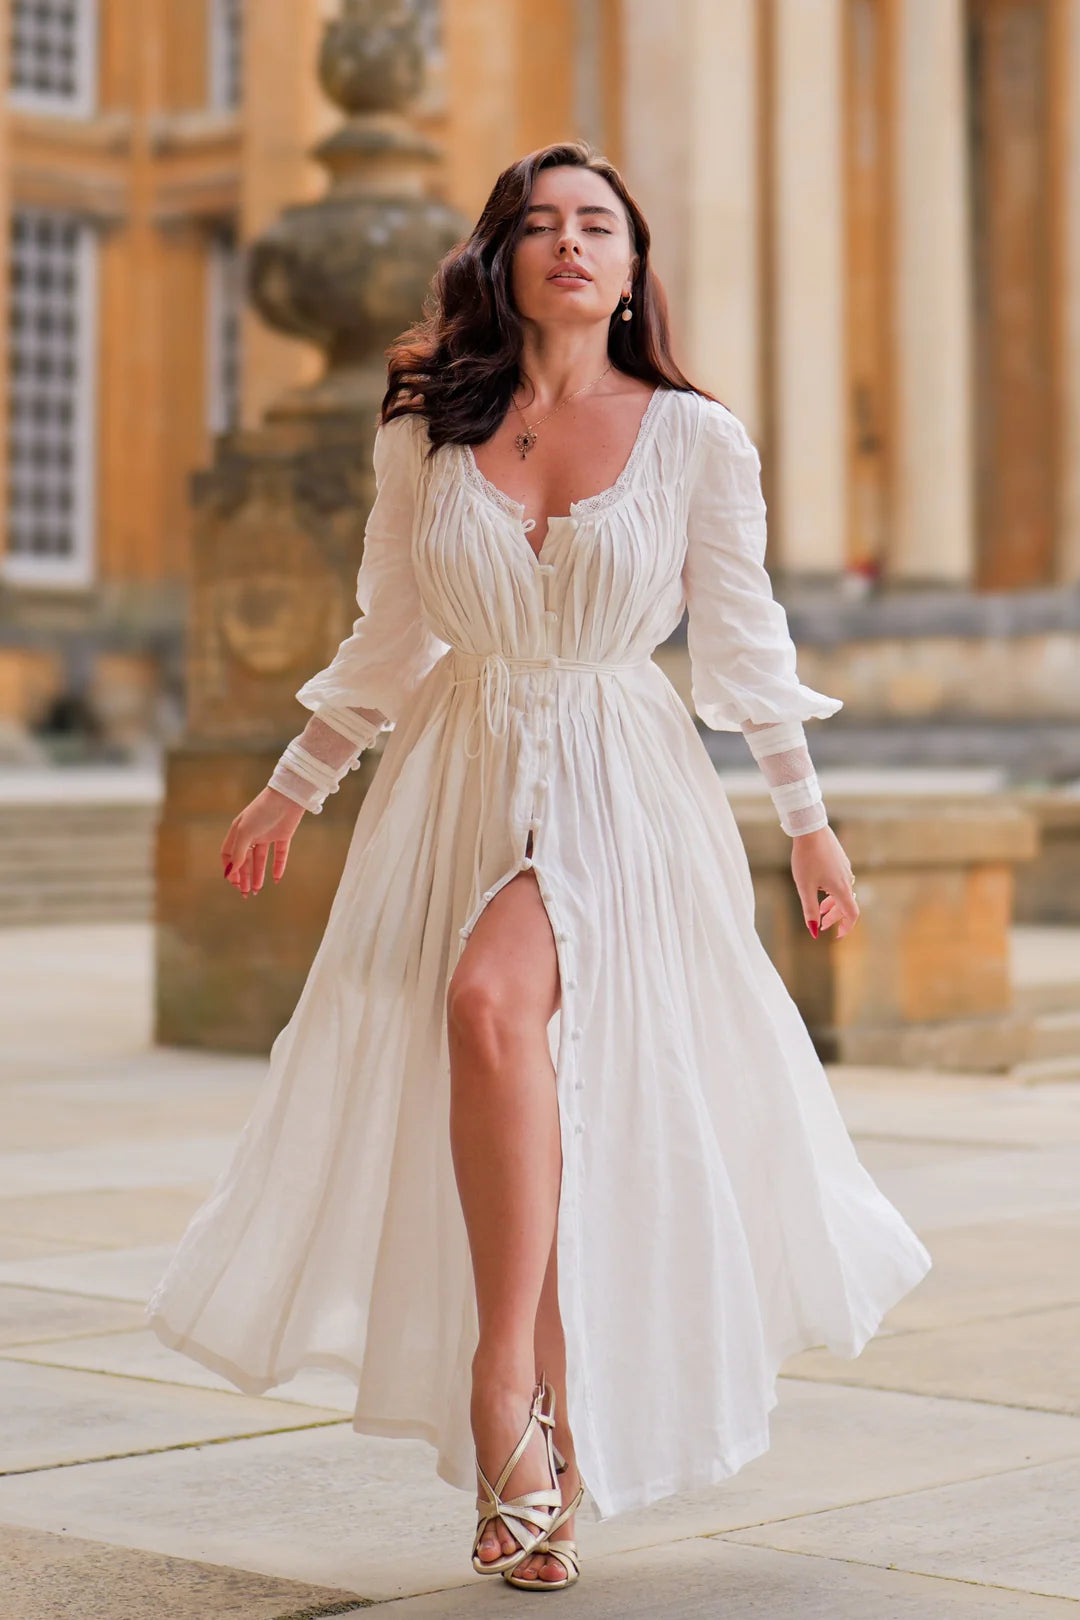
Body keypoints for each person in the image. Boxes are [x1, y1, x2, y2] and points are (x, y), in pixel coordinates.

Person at [146, 141, 932, 1593]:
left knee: (486, 1005)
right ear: (503, 258)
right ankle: (551, 1443)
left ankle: (500, 1379)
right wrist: (293, 785)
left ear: (631, 270)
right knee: (533, 1092)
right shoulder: (426, 429)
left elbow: (745, 649)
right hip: (458, 768)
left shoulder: (698, 439)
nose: (571, 242)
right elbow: (391, 634)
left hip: (622, 779)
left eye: (599, 225)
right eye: (543, 223)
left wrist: (808, 823)